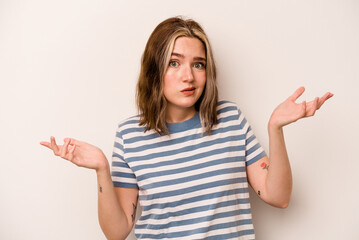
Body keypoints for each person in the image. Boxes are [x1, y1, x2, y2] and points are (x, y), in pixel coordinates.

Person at [40, 17, 333, 240]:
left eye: (198, 64)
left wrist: (275, 128)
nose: (188, 76)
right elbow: (117, 232)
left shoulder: (230, 119)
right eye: (174, 63)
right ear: (155, 70)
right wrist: (102, 169)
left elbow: (278, 197)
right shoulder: (130, 136)